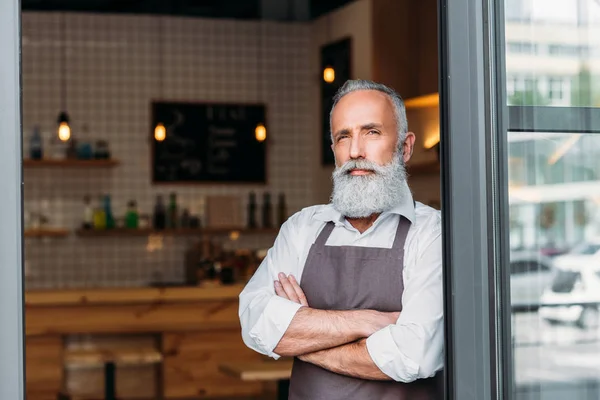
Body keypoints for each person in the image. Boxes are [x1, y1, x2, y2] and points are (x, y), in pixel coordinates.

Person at [238, 79, 444, 399]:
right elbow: (256, 324)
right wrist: (368, 321)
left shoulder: (432, 234)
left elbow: (413, 355)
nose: (355, 151)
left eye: (371, 132)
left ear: (405, 146)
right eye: (343, 136)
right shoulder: (301, 228)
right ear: (334, 150)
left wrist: (303, 340)